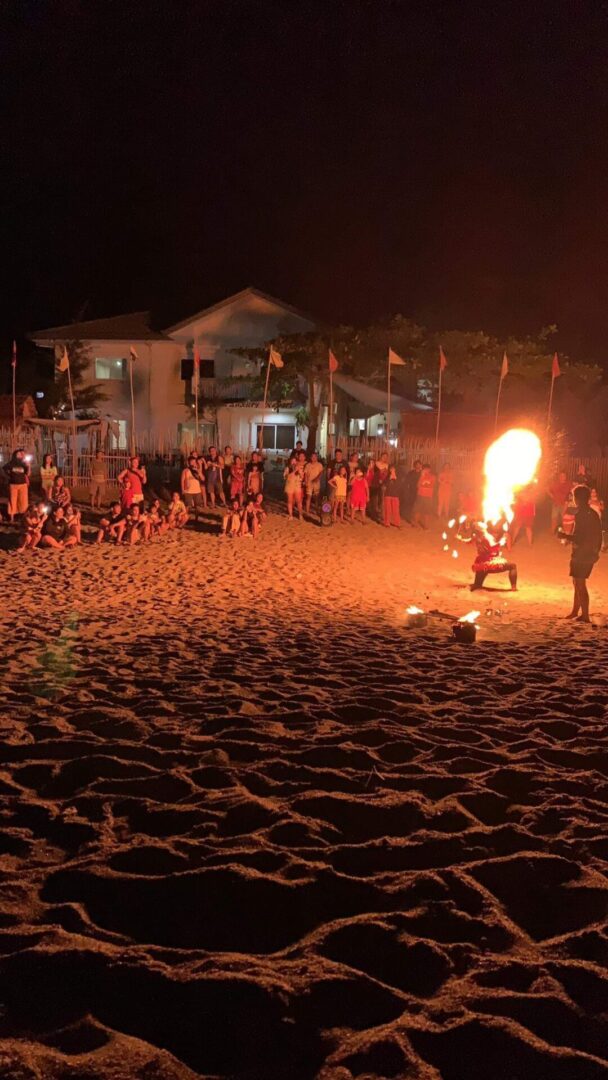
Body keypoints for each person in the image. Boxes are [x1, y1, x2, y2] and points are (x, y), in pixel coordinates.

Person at [559, 484, 603, 623]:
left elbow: (579, 537)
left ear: (577, 499)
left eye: (574, 497)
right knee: (576, 582)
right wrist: (596, 551)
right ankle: (575, 611)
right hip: (588, 553)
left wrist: (564, 536)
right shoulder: (593, 513)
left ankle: (585, 615)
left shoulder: (582, 515)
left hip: (583, 554)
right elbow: (598, 534)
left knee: (580, 583)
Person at [467, 522, 518, 591]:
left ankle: (477, 584)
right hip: (490, 564)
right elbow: (493, 548)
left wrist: (460, 538)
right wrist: (503, 540)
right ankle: (513, 587)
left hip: (480, 564)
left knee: (478, 584)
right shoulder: (487, 537)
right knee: (513, 566)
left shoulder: (475, 537)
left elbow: (468, 542)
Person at [4, 449, 30, 522]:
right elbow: (4, 469)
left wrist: (28, 466)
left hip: (23, 484)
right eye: (18, 454)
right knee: (12, 500)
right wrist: (8, 475)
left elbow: (27, 474)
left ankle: (23, 516)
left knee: (23, 500)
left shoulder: (23, 463)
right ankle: (12, 517)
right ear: (14, 455)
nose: (20, 455)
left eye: (20, 454)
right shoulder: (11, 463)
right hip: (13, 485)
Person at [181, 454, 206, 519]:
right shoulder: (185, 470)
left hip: (197, 490)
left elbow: (203, 479)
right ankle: (185, 517)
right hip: (188, 491)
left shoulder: (198, 470)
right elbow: (182, 480)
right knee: (188, 506)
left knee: (197, 506)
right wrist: (183, 490)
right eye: (192, 461)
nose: (193, 463)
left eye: (194, 461)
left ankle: (196, 519)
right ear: (189, 462)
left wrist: (198, 471)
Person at [413, 465, 435, 529]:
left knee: (427, 511)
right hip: (420, 495)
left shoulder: (432, 477)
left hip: (428, 496)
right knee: (418, 510)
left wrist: (425, 484)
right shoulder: (421, 476)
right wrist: (422, 477)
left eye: (427, 469)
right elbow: (418, 485)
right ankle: (415, 523)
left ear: (429, 470)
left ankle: (426, 525)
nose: (426, 471)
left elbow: (432, 485)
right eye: (425, 469)